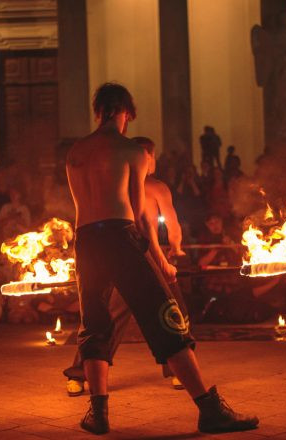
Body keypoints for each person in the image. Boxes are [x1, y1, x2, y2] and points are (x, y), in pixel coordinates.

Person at [66, 82, 258, 435]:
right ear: (126, 113)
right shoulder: (131, 151)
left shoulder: (75, 152)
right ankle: (209, 409)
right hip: (120, 237)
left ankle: (99, 413)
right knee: (165, 316)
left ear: (98, 111)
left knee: (94, 323)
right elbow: (140, 215)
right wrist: (158, 257)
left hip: (86, 240)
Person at [63, 136, 188, 395]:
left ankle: (176, 370)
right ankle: (80, 372)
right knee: (107, 317)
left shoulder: (157, 188)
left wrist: (175, 248)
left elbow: (172, 223)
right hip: (126, 256)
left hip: (153, 259)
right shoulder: (116, 187)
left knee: (174, 313)